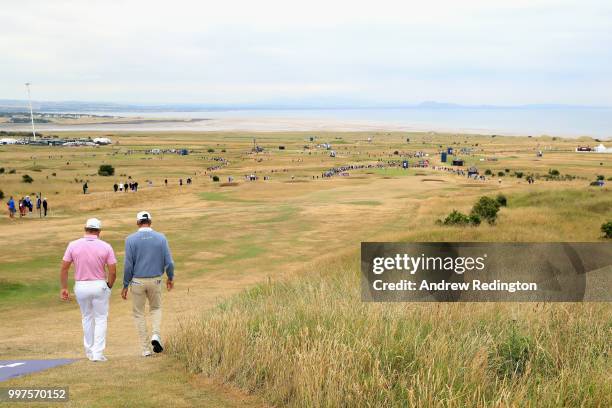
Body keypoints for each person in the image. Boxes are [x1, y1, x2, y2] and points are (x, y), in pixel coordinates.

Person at [60, 218, 117, 362]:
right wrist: (109, 285)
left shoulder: (73, 245)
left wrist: (64, 288)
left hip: (81, 285)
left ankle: (89, 351)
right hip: (99, 285)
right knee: (100, 318)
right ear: (99, 231)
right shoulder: (106, 246)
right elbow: (113, 271)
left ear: (85, 229)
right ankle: (97, 353)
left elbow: (64, 268)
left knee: (87, 317)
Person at [122, 211, 174, 357]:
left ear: (138, 222)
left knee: (139, 314)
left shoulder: (130, 239)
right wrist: (170, 277)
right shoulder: (161, 238)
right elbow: (169, 262)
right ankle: (156, 335)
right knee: (156, 309)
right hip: (156, 280)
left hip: (137, 281)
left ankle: (145, 349)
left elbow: (128, 265)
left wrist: (125, 285)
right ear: (150, 221)